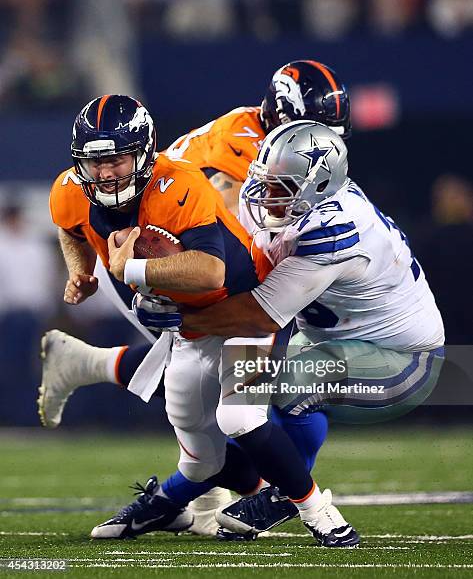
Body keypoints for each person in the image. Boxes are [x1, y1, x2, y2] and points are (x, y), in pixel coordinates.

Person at [135, 121, 444, 545]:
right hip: (325, 342)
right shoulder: (283, 201)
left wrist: (178, 318)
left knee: (282, 390)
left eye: (281, 187)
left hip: (401, 359)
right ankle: (174, 501)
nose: (266, 196)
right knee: (228, 408)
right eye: (264, 182)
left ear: (319, 187)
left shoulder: (335, 230)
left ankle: (289, 500)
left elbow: (257, 314)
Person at [45, 93, 276, 538]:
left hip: (240, 296)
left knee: (243, 414)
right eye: (95, 163)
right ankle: (214, 499)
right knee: (193, 408)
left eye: (117, 160)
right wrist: (82, 271)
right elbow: (68, 223)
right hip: (160, 295)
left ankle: (299, 502)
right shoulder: (71, 188)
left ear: (144, 153)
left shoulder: (179, 183)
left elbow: (211, 272)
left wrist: (130, 267)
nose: (106, 173)